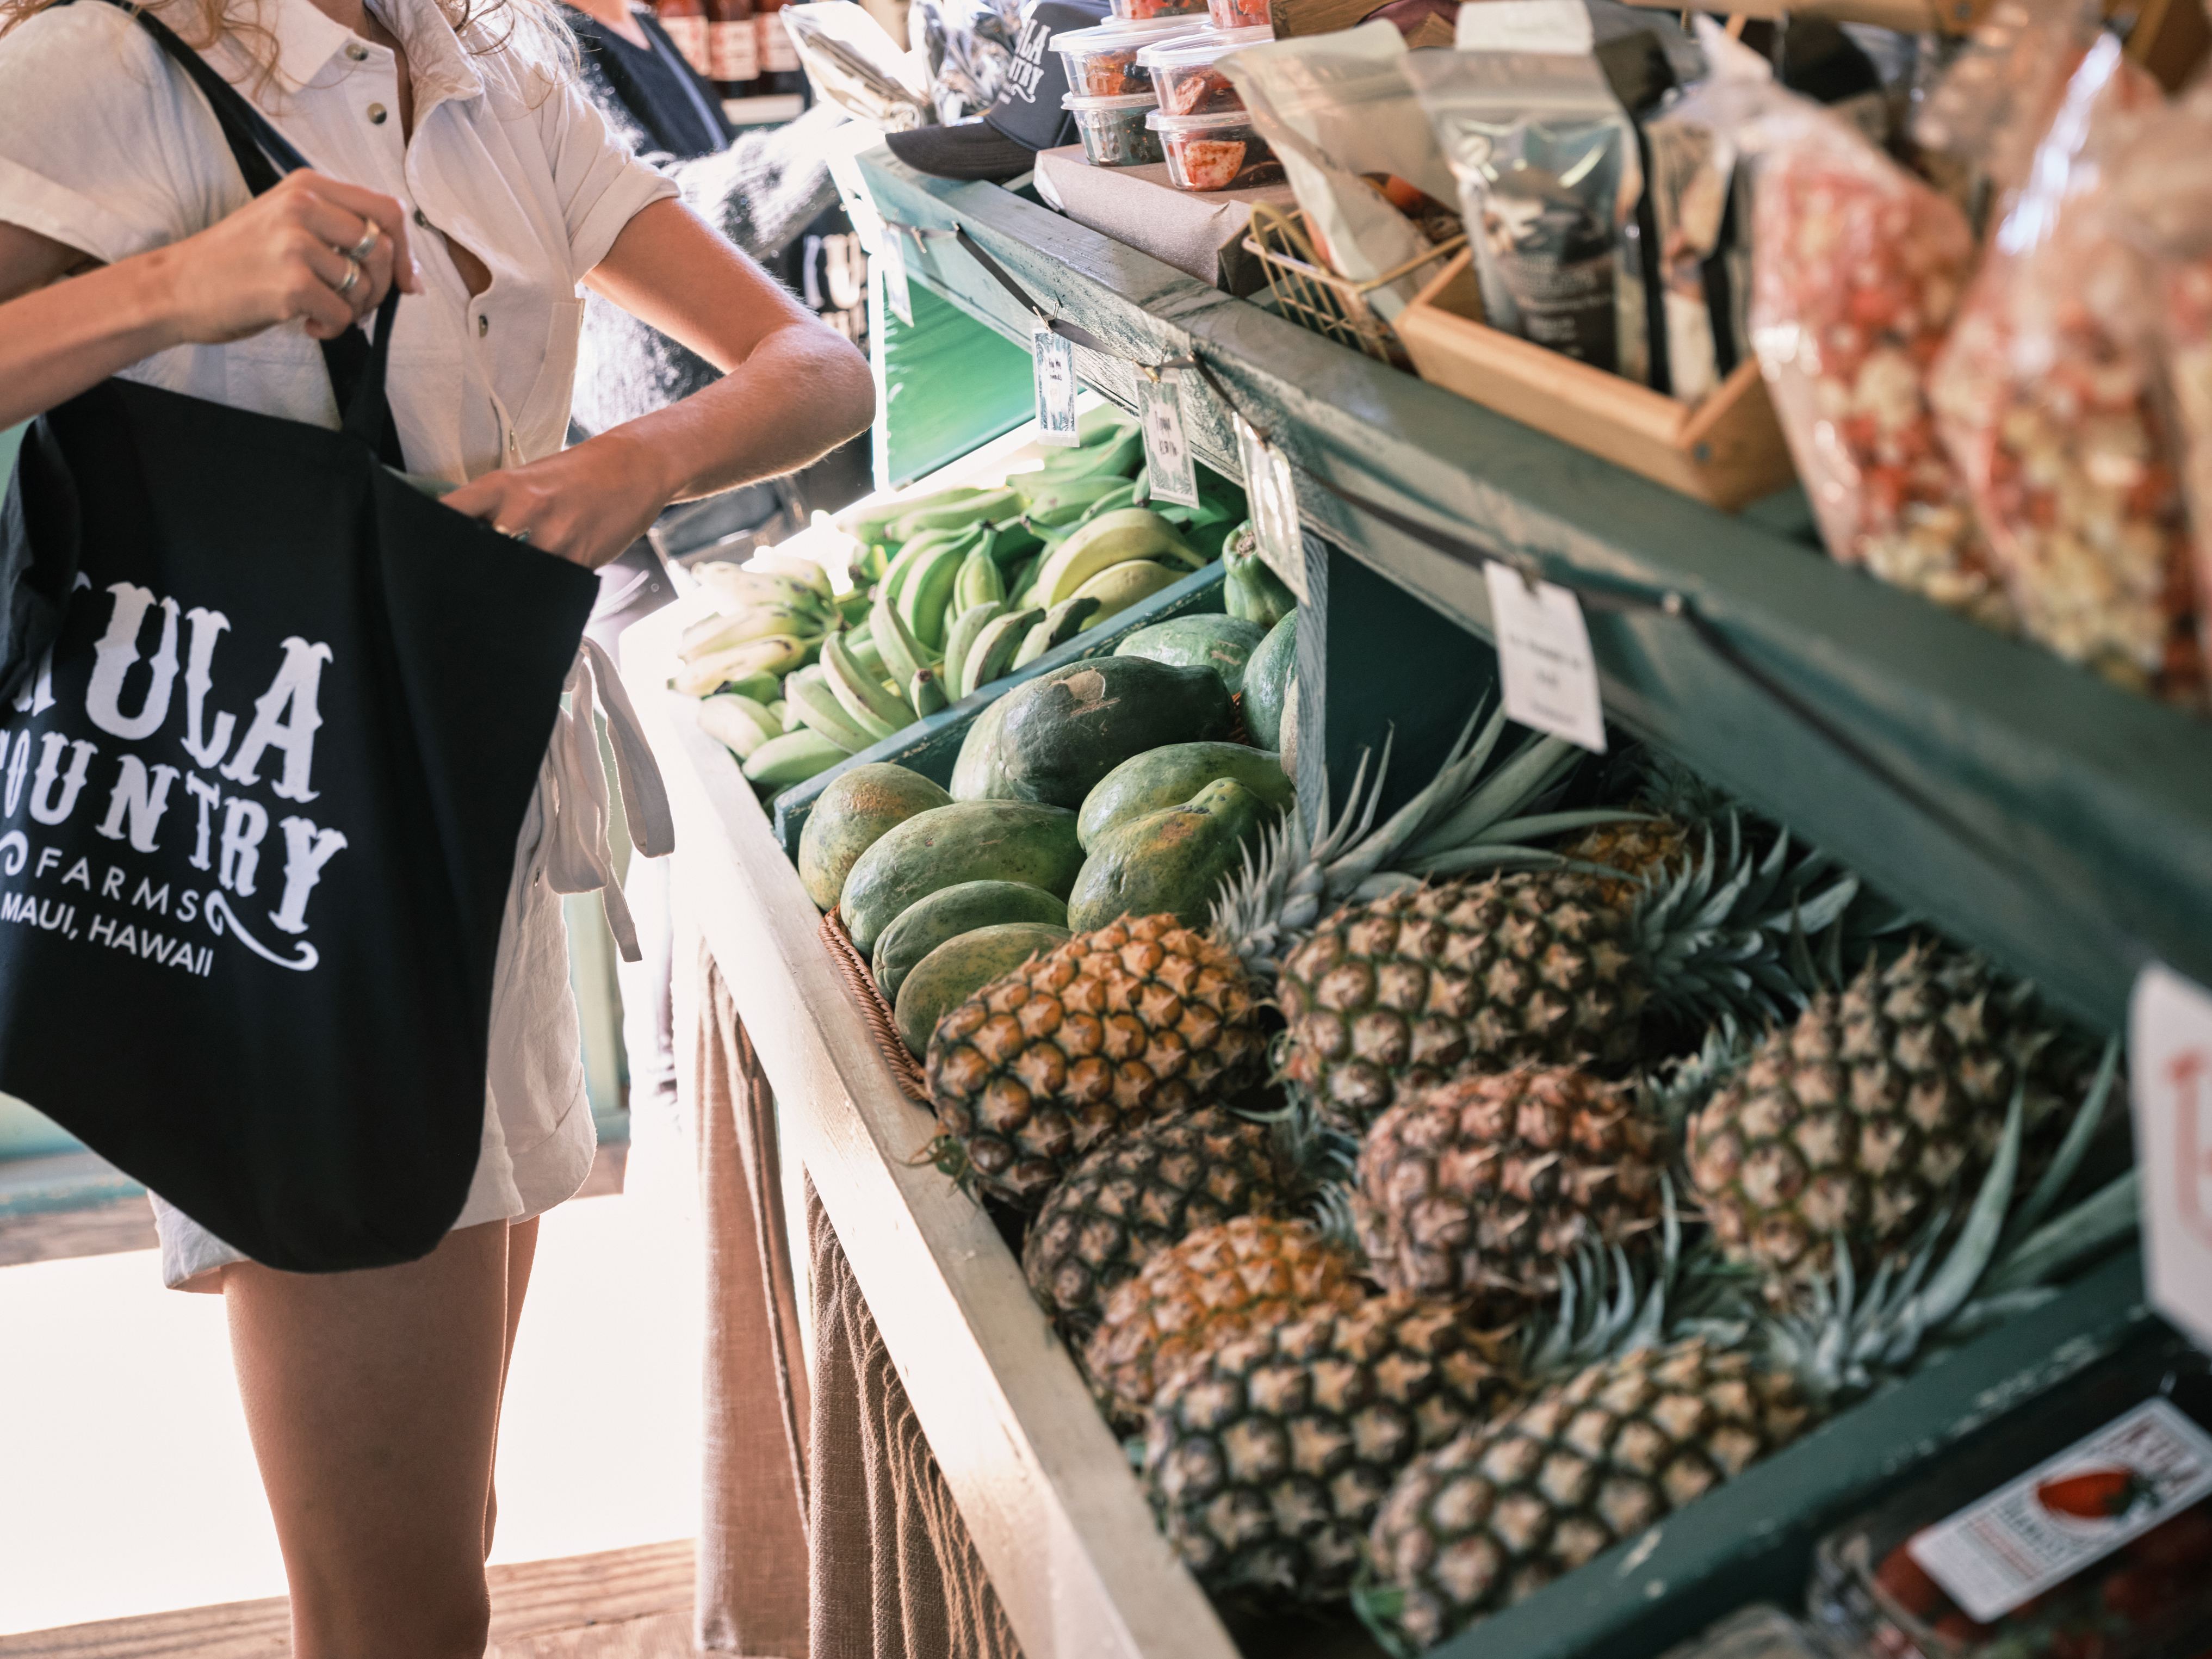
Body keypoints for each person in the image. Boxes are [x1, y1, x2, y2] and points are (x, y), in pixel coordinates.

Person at [0, 0, 873, 1651]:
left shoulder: (495, 81)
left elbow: (813, 366)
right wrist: (179, 290)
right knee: (396, 1604)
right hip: (279, 870)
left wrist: (638, 462)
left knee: (447, 1528)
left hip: (474, 840)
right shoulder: (99, 73)